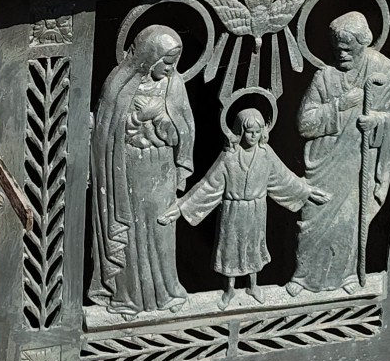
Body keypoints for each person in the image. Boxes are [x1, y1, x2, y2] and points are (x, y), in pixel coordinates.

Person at [163, 104, 326, 307]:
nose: (254, 136)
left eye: (257, 131)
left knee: (254, 248)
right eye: (249, 132)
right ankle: (229, 289)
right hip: (233, 211)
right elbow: (209, 185)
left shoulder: (266, 154)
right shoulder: (229, 157)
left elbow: (283, 178)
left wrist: (306, 191)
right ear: (239, 131)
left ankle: (253, 285)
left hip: (256, 210)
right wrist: (182, 207)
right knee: (230, 250)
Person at [293, 11, 390, 294]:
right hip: (325, 164)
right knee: (312, 220)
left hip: (357, 162)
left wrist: (376, 121)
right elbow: (305, 123)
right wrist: (340, 105)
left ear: (363, 43)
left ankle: (348, 277)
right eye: (336, 48)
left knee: (349, 222)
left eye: (347, 47)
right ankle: (302, 277)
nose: (341, 53)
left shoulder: (380, 69)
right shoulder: (325, 77)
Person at [87, 24, 195, 314]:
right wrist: (135, 120)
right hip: (127, 169)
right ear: (150, 57)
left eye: (174, 63)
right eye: (167, 63)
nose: (170, 69)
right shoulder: (119, 85)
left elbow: (185, 131)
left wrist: (162, 119)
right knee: (131, 233)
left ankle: (166, 293)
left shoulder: (174, 85)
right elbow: (106, 130)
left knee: (161, 230)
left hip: (161, 169)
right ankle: (128, 297)